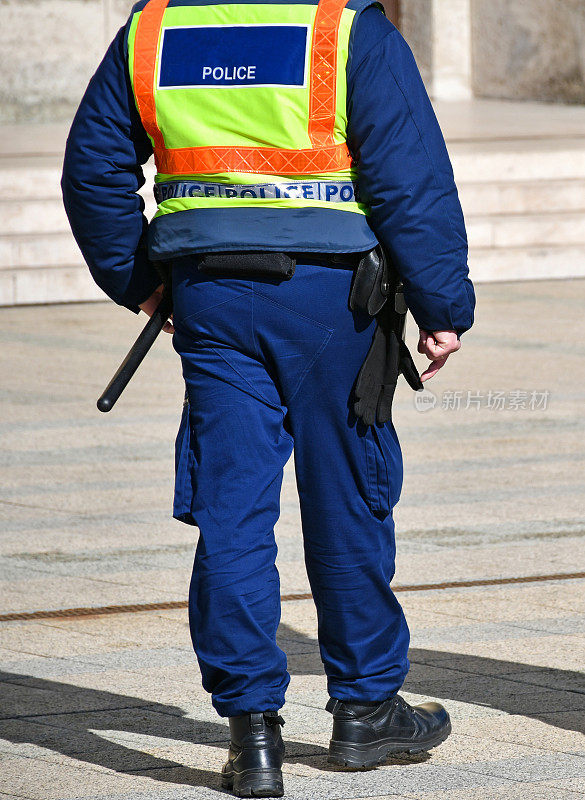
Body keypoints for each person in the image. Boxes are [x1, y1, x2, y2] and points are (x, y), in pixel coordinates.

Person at [62, 0, 475, 795]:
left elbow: (93, 168)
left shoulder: (152, 29)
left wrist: (140, 281)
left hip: (212, 299)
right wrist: (443, 305)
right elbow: (407, 179)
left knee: (232, 510)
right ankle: (364, 711)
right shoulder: (347, 29)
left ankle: (251, 738)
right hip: (333, 305)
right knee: (346, 500)